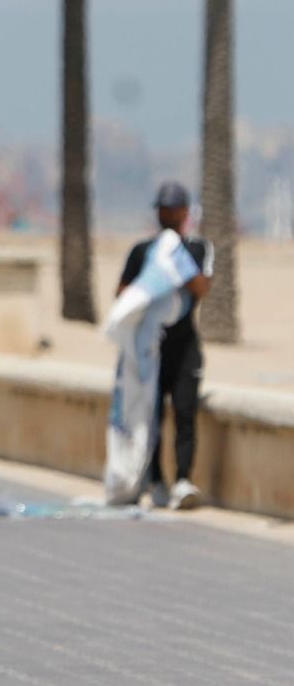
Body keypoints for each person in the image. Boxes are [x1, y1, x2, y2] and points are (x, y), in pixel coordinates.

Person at [117, 181, 212, 510]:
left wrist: (176, 264)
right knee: (151, 416)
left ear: (185, 212)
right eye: (162, 208)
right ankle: (155, 480)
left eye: (173, 208)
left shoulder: (197, 249)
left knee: (185, 411)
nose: (167, 213)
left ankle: (183, 478)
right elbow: (122, 295)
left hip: (185, 349)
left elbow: (201, 287)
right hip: (151, 350)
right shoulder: (142, 252)